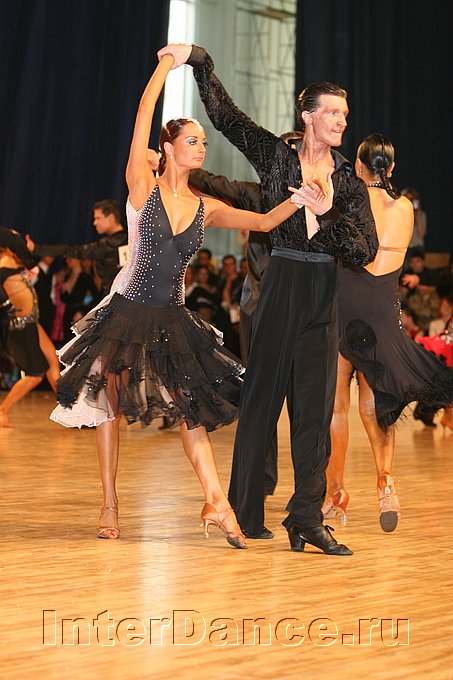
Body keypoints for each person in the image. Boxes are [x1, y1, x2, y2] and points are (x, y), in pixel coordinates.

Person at [49, 53, 304, 545]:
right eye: (192, 140)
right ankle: (109, 502)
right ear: (167, 147)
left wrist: (299, 200)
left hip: (171, 318)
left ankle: (217, 502)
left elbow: (264, 222)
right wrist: (166, 66)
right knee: (109, 406)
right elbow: (143, 113)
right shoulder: (142, 188)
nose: (201, 147)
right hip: (126, 312)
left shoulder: (207, 207)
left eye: (204, 142)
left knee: (191, 410)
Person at [158, 44, 378, 556]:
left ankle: (306, 518)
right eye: (333, 113)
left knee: (315, 410)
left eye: (345, 115)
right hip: (280, 283)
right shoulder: (277, 156)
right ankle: (246, 510)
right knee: (261, 401)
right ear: (308, 116)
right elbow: (227, 118)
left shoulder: (347, 181)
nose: (342, 121)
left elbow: (365, 251)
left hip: (323, 290)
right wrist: (200, 60)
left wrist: (325, 214)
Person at [322, 134, 453, 532]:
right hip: (382, 311)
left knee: (337, 407)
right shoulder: (406, 208)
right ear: (391, 168)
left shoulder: (351, 201)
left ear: (360, 167)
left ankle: (335, 492)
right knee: (376, 405)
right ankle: (386, 483)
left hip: (346, 306)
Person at [188, 131, 305, 499]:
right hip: (258, 306)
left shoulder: (318, 198)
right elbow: (211, 181)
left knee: (303, 398)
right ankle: (261, 480)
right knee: (259, 394)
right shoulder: (255, 194)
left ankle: (309, 489)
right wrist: (166, 162)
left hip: (301, 309)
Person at [0, 228, 60, 427]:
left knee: (52, 360)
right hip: (21, 325)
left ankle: (67, 407)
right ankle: (2, 410)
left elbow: (30, 267)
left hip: (32, 322)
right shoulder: (4, 264)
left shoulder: (16, 263)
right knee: (35, 375)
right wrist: (7, 304)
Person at [26, 200, 127, 297]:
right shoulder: (128, 241)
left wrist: (36, 249)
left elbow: (76, 251)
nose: (94, 223)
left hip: (116, 300)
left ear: (110, 218)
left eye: (98, 218)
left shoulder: (111, 244)